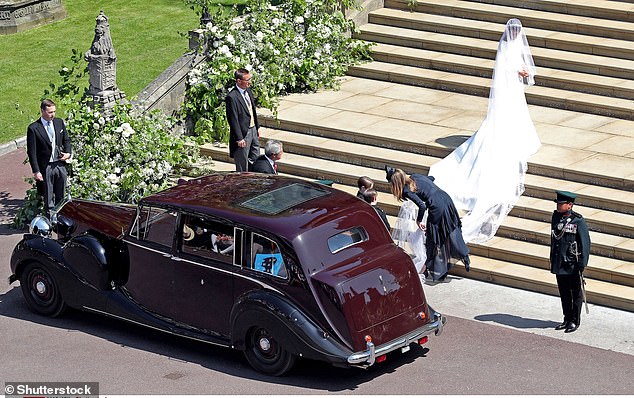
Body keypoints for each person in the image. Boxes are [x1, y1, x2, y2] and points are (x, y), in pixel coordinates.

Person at [428, 18, 541, 244]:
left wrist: (524, 72)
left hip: (515, 91)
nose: (516, 35)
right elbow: (504, 71)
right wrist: (518, 72)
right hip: (506, 91)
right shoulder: (505, 48)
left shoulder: (516, 45)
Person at [387, 166, 470, 281]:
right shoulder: (416, 176)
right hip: (445, 198)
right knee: (451, 228)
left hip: (436, 206)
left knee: (433, 238)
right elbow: (431, 178)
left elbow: (422, 205)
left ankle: (433, 269)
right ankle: (463, 255)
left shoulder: (407, 190)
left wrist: (419, 220)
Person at [550, 190, 591, 333]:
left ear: (570, 205)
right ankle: (566, 318)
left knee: (575, 293)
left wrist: (582, 264)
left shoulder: (578, 220)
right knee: (564, 292)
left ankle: (574, 320)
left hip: (572, 264)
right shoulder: (556, 217)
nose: (558, 206)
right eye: (558, 203)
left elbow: (585, 243)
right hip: (560, 262)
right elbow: (555, 241)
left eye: (561, 204)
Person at [26, 98, 72, 216]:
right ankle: (50, 221)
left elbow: (66, 140)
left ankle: (61, 218)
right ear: (42, 111)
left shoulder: (59, 122)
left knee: (61, 195)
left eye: (54, 112)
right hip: (46, 167)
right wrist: (36, 171)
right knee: (48, 196)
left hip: (60, 164)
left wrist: (67, 153)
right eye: (50, 112)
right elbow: (32, 152)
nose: (53, 115)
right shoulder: (34, 128)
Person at [226, 68, 260, 171]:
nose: (250, 82)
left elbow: (252, 111)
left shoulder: (248, 91)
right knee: (242, 162)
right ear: (239, 81)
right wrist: (239, 138)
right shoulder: (232, 97)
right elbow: (233, 119)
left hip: (253, 130)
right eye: (247, 80)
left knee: (255, 157)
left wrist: (257, 128)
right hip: (242, 134)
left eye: (250, 79)